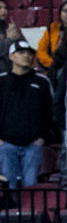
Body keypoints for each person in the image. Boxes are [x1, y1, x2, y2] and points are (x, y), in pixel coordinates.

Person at [0, 39, 52, 186]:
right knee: (7, 189)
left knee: (31, 189)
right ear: (11, 56)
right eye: (21, 52)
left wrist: (42, 138)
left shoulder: (42, 81)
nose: (26, 56)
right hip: (5, 144)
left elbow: (49, 112)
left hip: (33, 144)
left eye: (29, 53)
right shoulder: (1, 81)